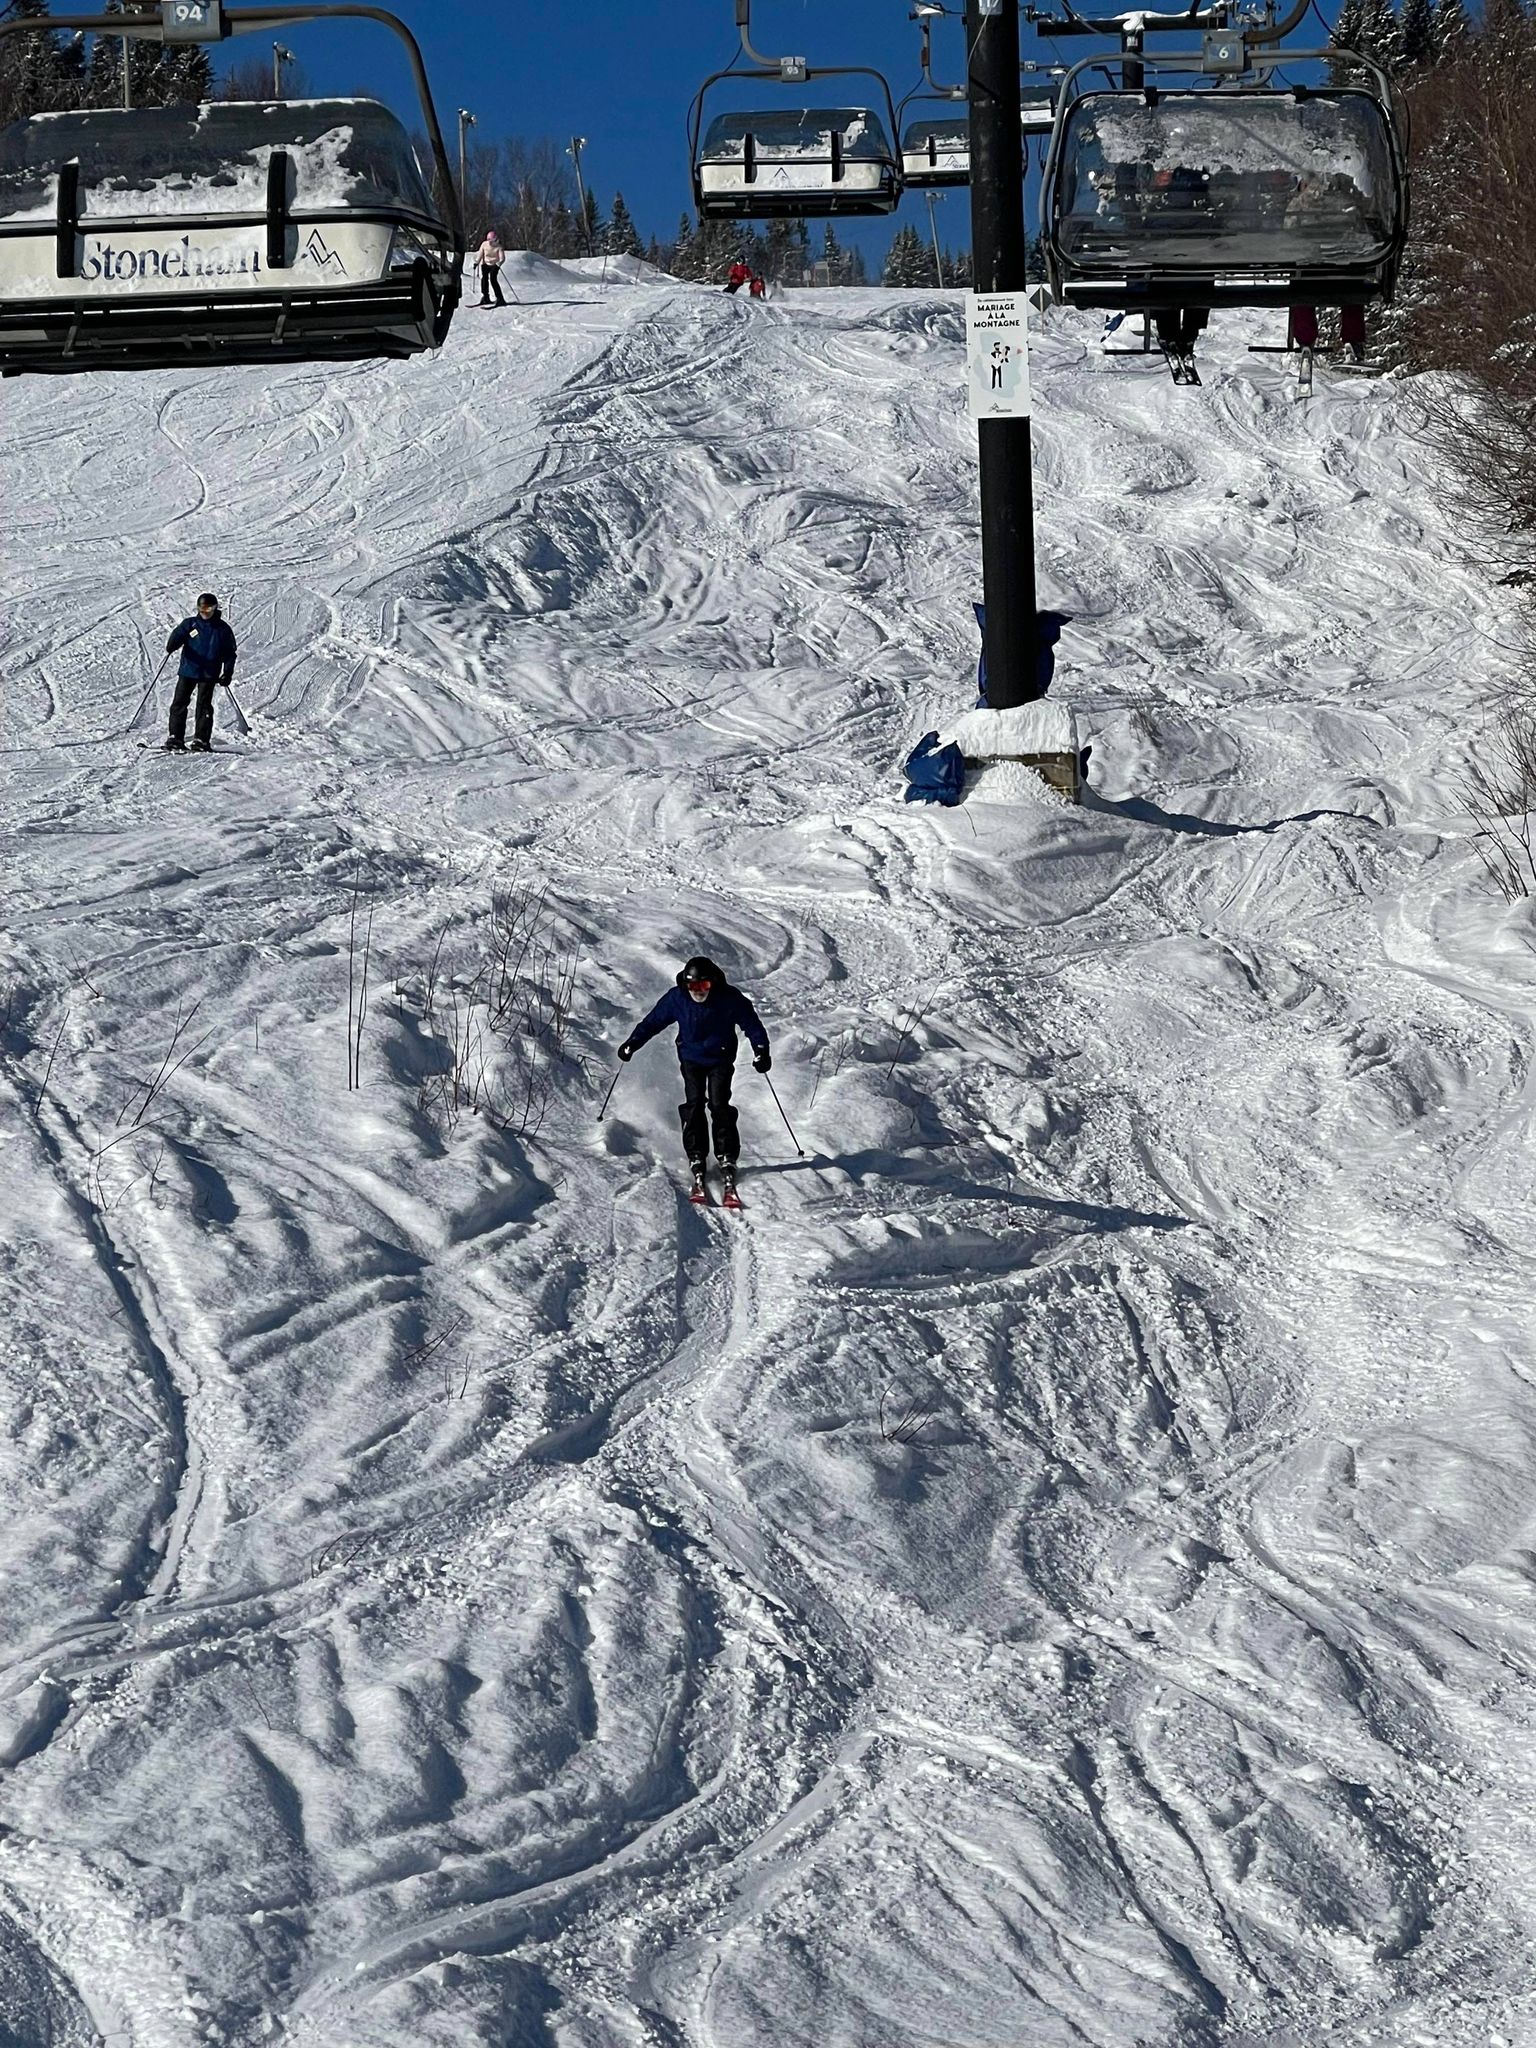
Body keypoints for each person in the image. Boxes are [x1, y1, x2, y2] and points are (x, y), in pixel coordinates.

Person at [617, 954, 771, 1200]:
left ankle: (726, 1155)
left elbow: (751, 1024)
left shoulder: (729, 997)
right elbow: (653, 1022)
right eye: (693, 987)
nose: (698, 992)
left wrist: (761, 1050)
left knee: (719, 1104)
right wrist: (632, 1043)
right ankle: (697, 1154)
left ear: (712, 983)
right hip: (691, 1059)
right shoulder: (677, 998)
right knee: (695, 1103)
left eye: (704, 986)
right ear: (685, 985)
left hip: (720, 1058)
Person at [164, 593, 237, 753]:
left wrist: (228, 672)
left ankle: (201, 740)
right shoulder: (190, 624)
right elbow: (175, 638)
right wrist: (173, 644)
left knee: (203, 706)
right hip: (189, 670)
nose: (205, 611)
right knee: (179, 703)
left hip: (209, 673)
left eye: (209, 608)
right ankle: (175, 737)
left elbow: (230, 653)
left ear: (215, 608)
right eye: (202, 607)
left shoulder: (222, 629)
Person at [477, 229, 507, 308]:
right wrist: (477, 262)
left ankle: (500, 298)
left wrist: (498, 264)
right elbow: (480, 253)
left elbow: (502, 258)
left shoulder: (499, 247)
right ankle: (485, 297)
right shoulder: (484, 244)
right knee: (484, 279)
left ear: (496, 240)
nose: (490, 243)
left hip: (495, 264)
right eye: (489, 240)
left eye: (492, 241)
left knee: (493, 279)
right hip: (485, 263)